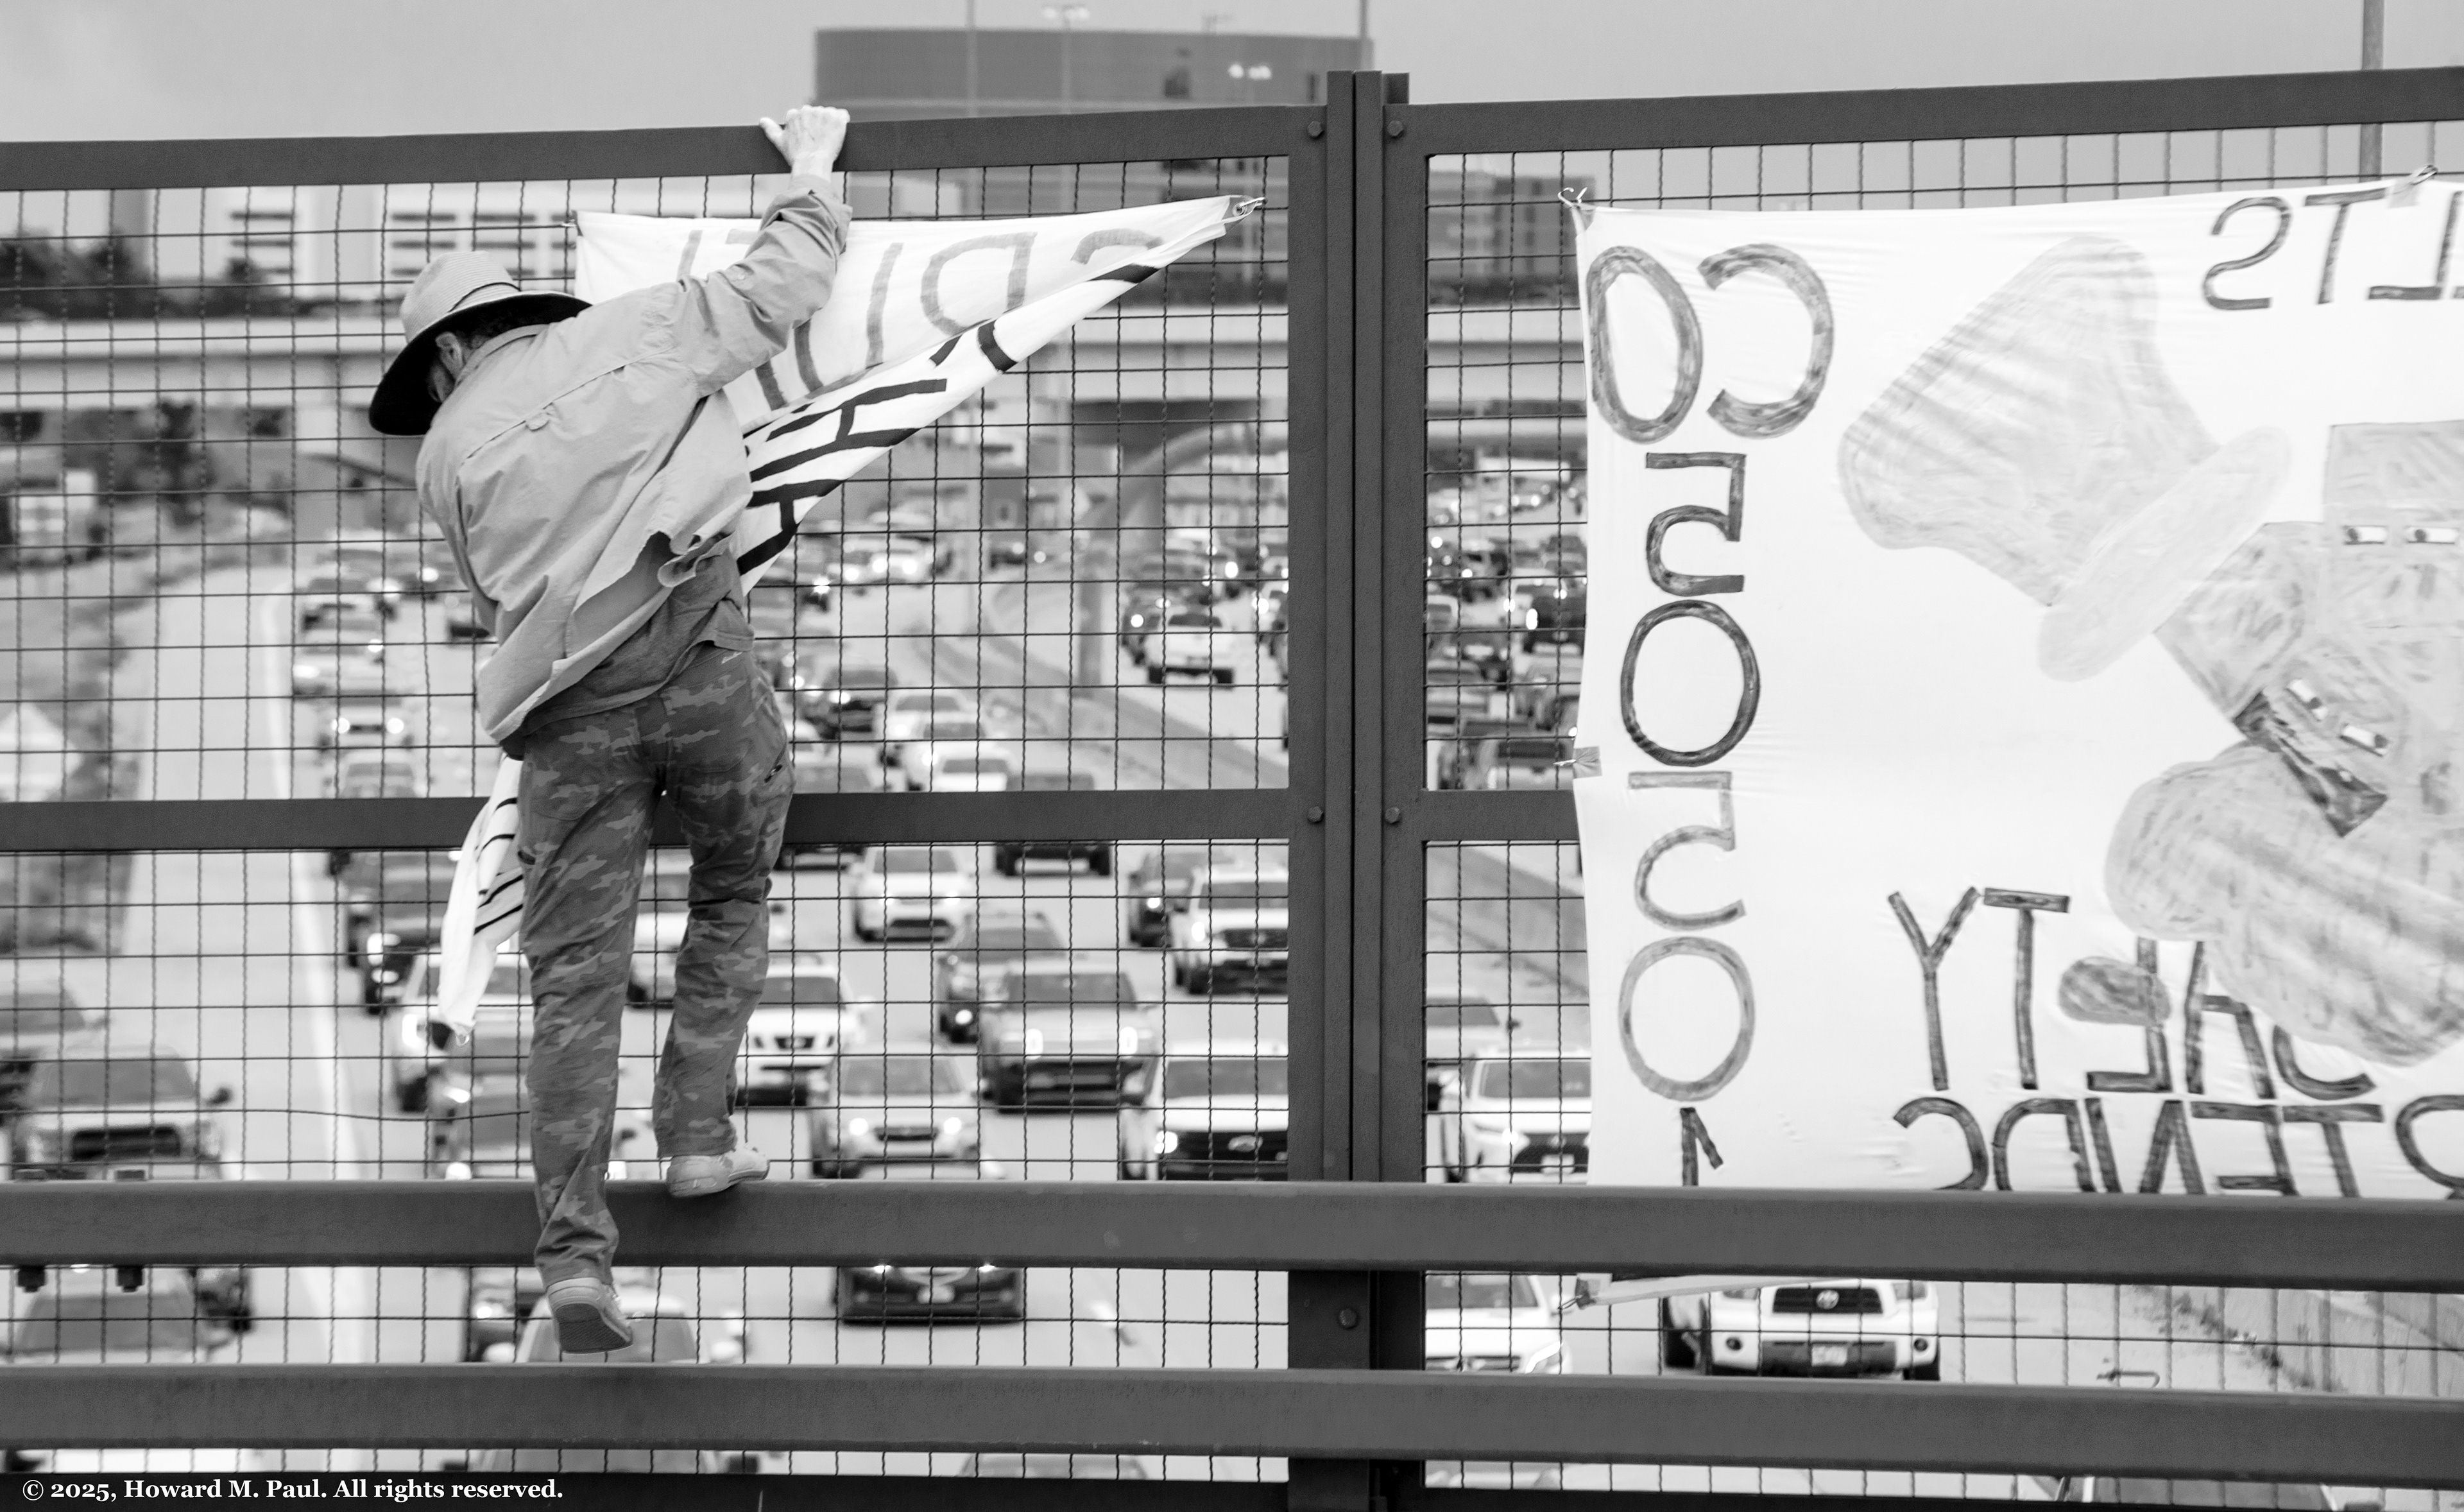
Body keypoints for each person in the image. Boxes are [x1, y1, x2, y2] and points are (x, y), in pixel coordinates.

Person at [368, 105, 852, 1353]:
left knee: (573, 986)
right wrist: (808, 174)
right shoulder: (637, 330)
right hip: (696, 650)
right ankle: (696, 1131)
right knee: (736, 880)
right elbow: (787, 281)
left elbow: (491, 598)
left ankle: (576, 1258)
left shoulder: (446, 457)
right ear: (516, 316)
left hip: (565, 719)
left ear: (443, 357)